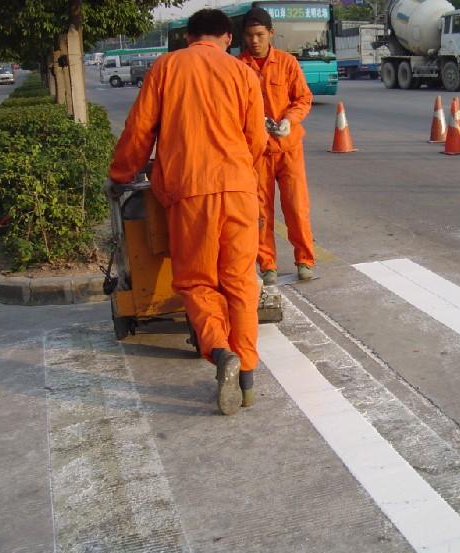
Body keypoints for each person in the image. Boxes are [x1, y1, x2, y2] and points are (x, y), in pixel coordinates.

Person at [106, 9, 268, 415]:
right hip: (238, 188)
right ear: (227, 38)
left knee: (196, 281)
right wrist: (233, 172)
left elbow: (140, 129)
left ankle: (218, 351)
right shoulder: (243, 73)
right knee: (240, 282)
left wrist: (120, 173)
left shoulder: (167, 67)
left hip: (190, 193)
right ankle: (246, 377)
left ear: (188, 36)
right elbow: (257, 140)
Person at [238, 7, 316, 285]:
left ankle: (304, 260)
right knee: (259, 212)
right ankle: (267, 264)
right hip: (256, 152)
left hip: (289, 147)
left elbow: (303, 98)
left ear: (271, 34)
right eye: (250, 35)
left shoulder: (287, 63)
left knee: (296, 207)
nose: (255, 41)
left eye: (260, 35)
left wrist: (289, 120)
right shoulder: (237, 68)